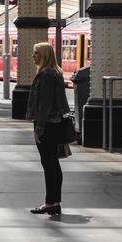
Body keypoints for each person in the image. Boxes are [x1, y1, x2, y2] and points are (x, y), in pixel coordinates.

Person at [26, 42, 70, 215]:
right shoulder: (55, 73)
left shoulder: (46, 75)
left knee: (49, 164)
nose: (33, 56)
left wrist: (39, 129)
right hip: (54, 123)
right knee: (53, 163)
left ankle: (50, 203)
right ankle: (54, 202)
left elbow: (44, 105)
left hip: (47, 125)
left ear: (43, 55)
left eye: (36, 53)